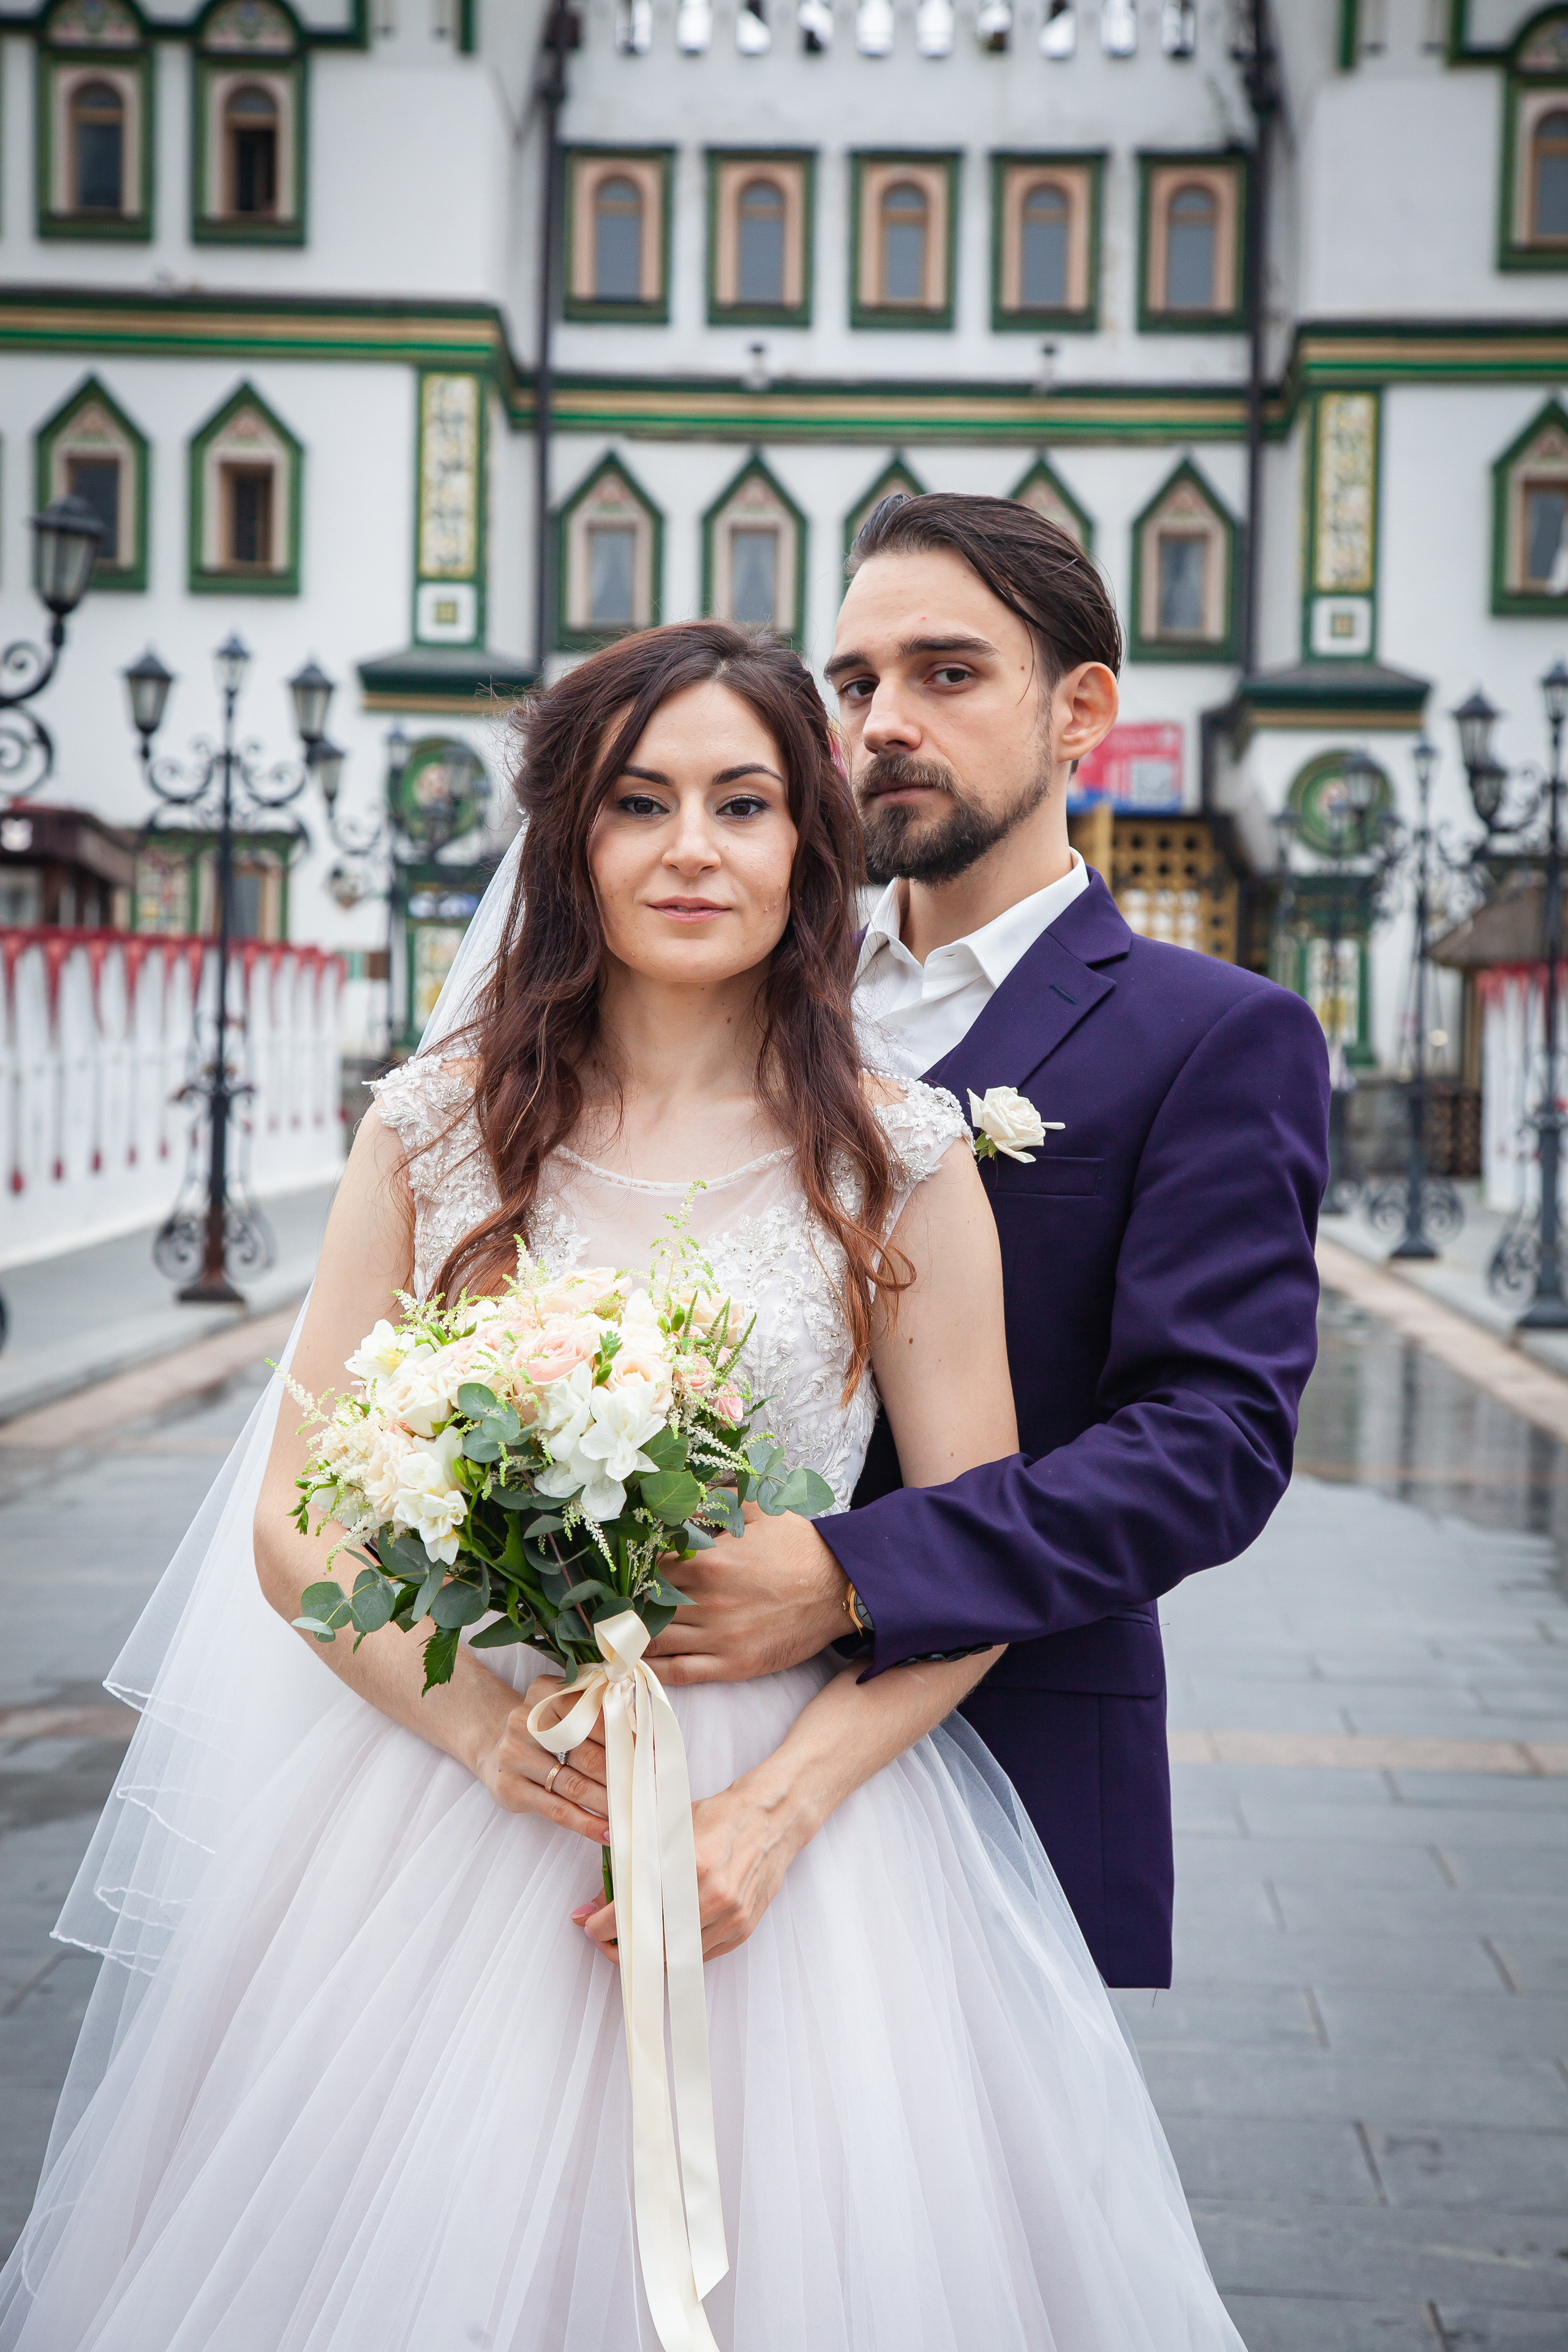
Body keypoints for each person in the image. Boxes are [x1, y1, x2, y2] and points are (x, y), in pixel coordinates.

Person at [0, 620, 1245, 2351]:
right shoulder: (435, 1132)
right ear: (567, 845)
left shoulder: (895, 1157)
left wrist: (772, 1817)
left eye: (743, 804)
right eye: (638, 804)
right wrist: (472, 1741)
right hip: (457, 1803)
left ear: (807, 843)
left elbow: (985, 1553)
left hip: (804, 1840)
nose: (692, 850)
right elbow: (296, 1524)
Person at [647, 494, 1331, 1989]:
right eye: (854, 683)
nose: (882, 721)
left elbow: (1208, 1443)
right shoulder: (730, 993)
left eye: (946, 674)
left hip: (1000, 1757)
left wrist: (844, 1575)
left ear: (1077, 707)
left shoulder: (1212, 1038)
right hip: (657, 1741)